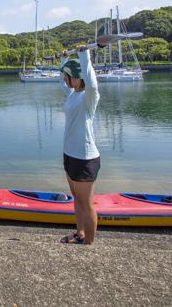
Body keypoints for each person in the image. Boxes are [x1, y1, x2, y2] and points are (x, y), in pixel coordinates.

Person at [59, 45, 100, 244]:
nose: (65, 80)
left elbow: (92, 84)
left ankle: (89, 244)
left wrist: (84, 55)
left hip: (84, 157)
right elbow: (62, 83)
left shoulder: (88, 98)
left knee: (86, 203)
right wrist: (63, 60)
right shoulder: (73, 94)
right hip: (69, 154)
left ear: (77, 77)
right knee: (77, 199)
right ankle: (80, 233)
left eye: (68, 76)